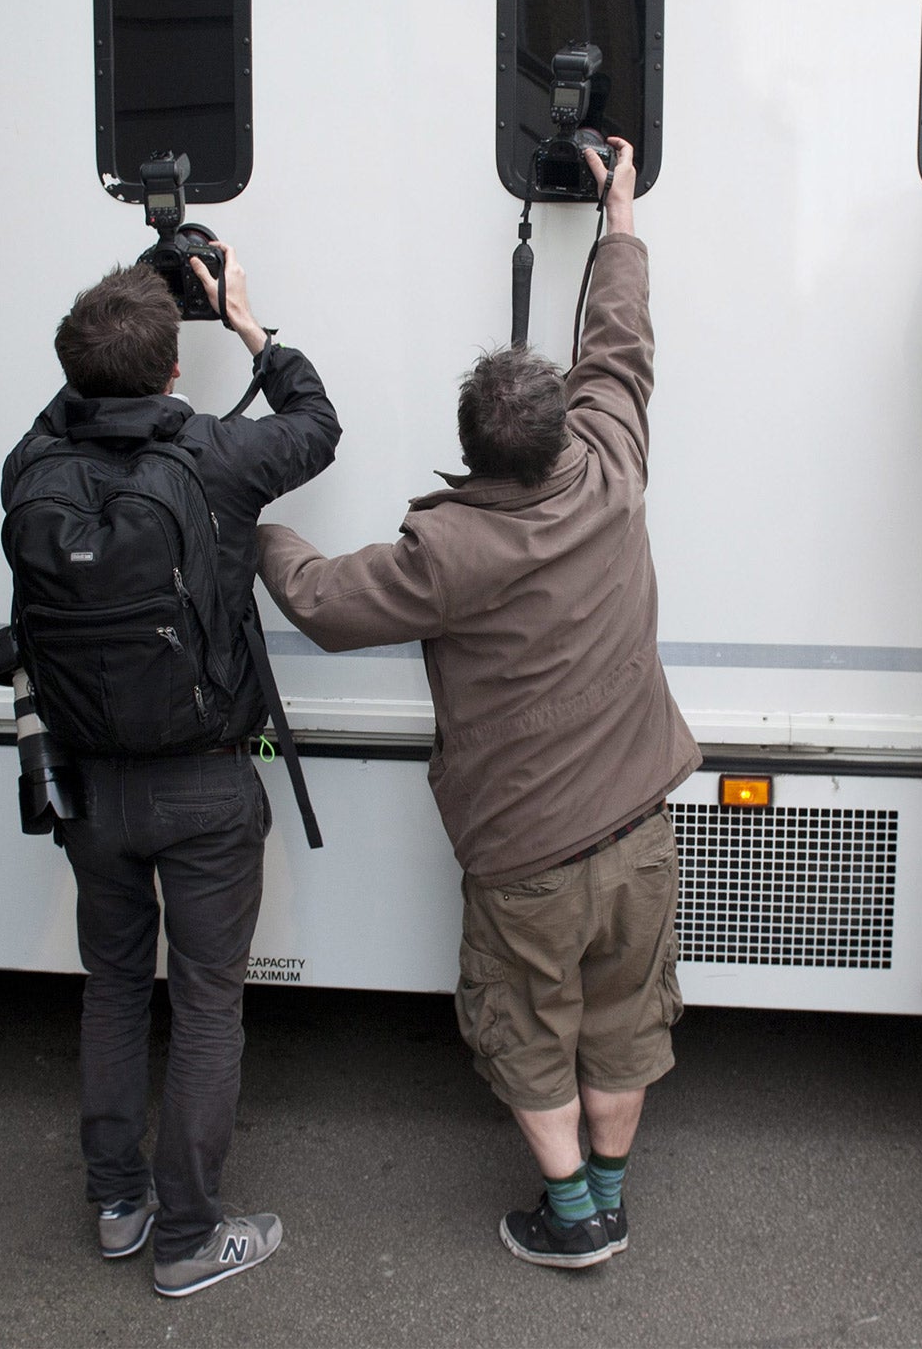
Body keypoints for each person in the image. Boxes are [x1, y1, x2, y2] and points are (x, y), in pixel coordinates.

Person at [256, 137, 699, 1270]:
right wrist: (619, 224)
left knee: (529, 1028)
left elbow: (316, 599)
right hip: (641, 834)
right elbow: (618, 348)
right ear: (555, 433)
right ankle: (608, 1195)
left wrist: (253, 525)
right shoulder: (609, 465)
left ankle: (571, 1220)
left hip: (528, 859)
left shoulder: (443, 548)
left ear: (469, 449)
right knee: (620, 1025)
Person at [0, 243, 339, 1298]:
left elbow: (75, 399)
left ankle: (117, 1205)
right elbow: (319, 423)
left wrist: (127, 310)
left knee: (111, 988)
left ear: (71, 366)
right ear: (173, 369)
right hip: (203, 782)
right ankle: (188, 1237)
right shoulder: (216, 457)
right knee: (203, 1006)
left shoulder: (30, 468)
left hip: (86, 785)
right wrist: (246, 321)